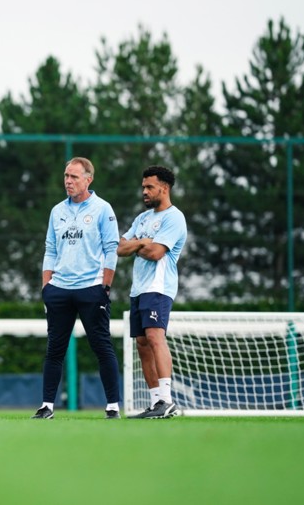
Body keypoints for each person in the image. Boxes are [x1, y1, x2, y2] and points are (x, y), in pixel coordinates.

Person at [32, 157, 122, 420]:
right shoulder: (57, 210)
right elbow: (50, 249)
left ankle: (113, 407)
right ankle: (47, 405)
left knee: (101, 346)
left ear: (88, 179)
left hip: (91, 289)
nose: (68, 181)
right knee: (54, 349)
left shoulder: (103, 209)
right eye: (66, 176)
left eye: (74, 177)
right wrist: (46, 286)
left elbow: (111, 250)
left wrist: (105, 286)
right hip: (59, 290)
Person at [117, 165, 188, 419]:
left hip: (158, 289)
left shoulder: (174, 218)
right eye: (143, 187)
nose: (144, 191)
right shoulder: (142, 218)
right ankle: (156, 402)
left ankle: (167, 401)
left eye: (150, 187)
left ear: (164, 188)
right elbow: (120, 248)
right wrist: (141, 243)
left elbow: (157, 253)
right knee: (142, 344)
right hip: (139, 289)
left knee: (156, 337)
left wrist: (137, 245)